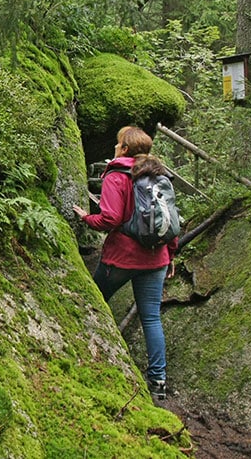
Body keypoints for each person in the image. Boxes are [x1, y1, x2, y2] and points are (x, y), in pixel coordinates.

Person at [72, 125, 176, 400]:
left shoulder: (117, 175)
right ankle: (158, 382)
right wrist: (171, 254)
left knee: (93, 303)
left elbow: (111, 219)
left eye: (118, 143)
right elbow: (170, 219)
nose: (115, 147)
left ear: (125, 149)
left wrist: (85, 218)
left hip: (122, 258)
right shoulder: (159, 175)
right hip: (157, 258)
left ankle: (83, 355)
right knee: (151, 317)